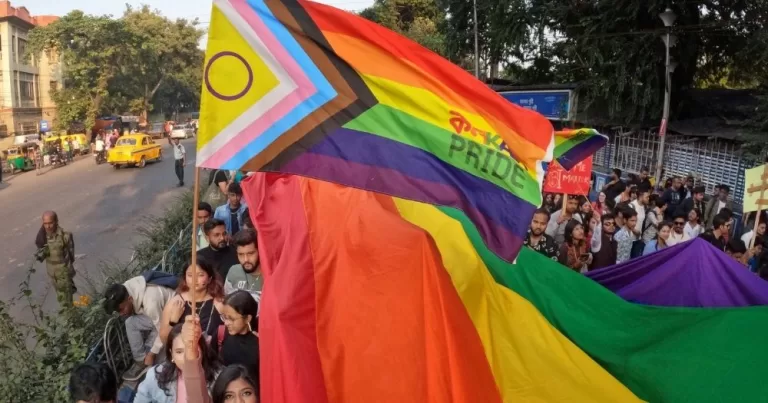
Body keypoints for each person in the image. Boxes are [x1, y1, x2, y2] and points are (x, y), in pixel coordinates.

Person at [103, 273, 177, 380]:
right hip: (157, 313)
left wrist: (152, 353)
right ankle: (141, 361)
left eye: (122, 309)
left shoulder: (150, 302)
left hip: (172, 315)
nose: (121, 314)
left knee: (159, 354)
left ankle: (149, 358)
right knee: (130, 323)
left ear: (130, 299)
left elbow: (163, 330)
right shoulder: (124, 289)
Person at [135, 322, 222, 403]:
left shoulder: (219, 379)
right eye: (179, 352)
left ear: (202, 350)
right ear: (171, 354)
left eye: (191, 350)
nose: (186, 358)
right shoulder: (155, 376)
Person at [160, 259, 225, 346]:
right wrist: (173, 321)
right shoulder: (175, 302)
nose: (194, 279)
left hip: (211, 356)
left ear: (209, 278)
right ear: (185, 278)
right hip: (182, 356)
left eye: (200, 275)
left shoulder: (219, 303)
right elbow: (164, 340)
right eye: (190, 275)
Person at [211, 291, 260, 379]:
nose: (226, 323)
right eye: (224, 317)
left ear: (248, 318)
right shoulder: (220, 333)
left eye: (231, 319)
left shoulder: (260, 342)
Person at [34, 211, 76, 307]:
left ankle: (72, 320)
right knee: (62, 302)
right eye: (45, 224)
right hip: (53, 277)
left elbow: (71, 256)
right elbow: (40, 257)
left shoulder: (65, 236)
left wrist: (66, 272)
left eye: (50, 223)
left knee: (67, 305)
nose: (48, 226)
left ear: (56, 221)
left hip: (64, 276)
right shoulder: (43, 239)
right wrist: (40, 245)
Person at [225, 229, 265, 301]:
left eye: (250, 253)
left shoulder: (270, 276)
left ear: (260, 251)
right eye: (241, 254)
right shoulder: (233, 271)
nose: (246, 259)